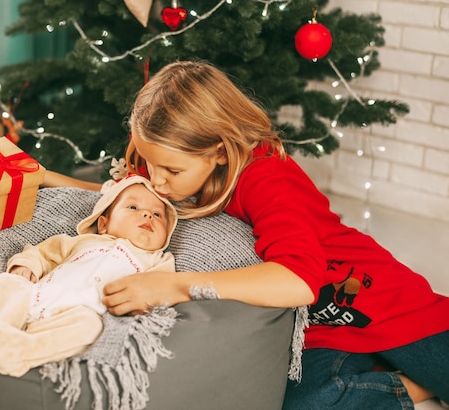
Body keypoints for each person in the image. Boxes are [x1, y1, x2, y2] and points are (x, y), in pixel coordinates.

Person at [43, 60, 449, 409]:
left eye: (171, 171)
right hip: (322, 329)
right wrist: (46, 179)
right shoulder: (168, 168)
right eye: (151, 166)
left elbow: (298, 281)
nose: (156, 183)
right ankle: (406, 385)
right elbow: (119, 197)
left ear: (220, 151)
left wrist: (176, 286)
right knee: (304, 404)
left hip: (386, 303)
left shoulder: (267, 176)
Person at [0, 175, 178, 410]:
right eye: (133, 207)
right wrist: (26, 265)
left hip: (80, 312)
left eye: (157, 214)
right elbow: (43, 253)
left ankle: (19, 349)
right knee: (5, 284)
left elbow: (163, 289)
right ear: (104, 223)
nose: (147, 215)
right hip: (40, 293)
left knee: (89, 328)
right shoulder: (82, 241)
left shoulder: (157, 260)